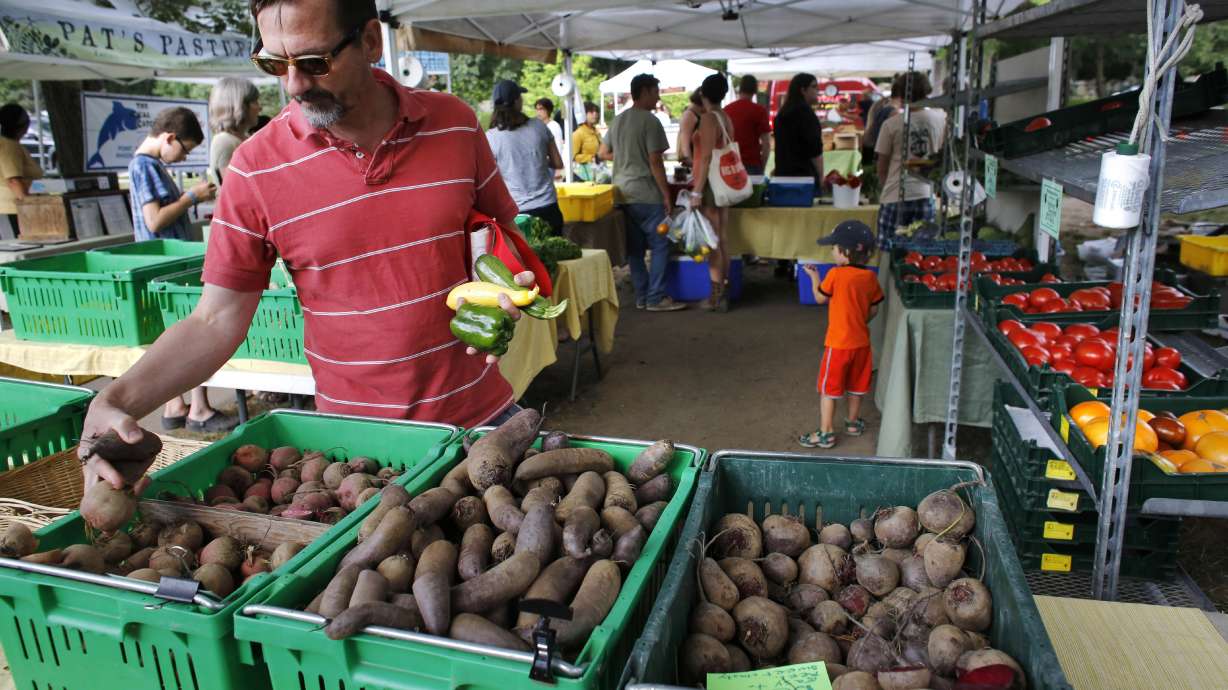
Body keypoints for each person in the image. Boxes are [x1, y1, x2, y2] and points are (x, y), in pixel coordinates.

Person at [80, 0, 530, 491]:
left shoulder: (455, 124)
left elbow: (504, 235)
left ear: (371, 42)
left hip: (489, 419)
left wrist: (508, 287)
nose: (293, 85)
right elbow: (214, 319)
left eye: (315, 63)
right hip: (360, 452)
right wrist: (117, 401)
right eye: (274, 64)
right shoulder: (255, 168)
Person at [127, 107, 237, 434]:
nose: (182, 156)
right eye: (184, 149)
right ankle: (198, 408)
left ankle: (177, 405)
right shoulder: (144, 166)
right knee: (191, 333)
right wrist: (193, 196)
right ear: (169, 137)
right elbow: (155, 220)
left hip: (166, 261)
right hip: (162, 265)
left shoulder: (149, 166)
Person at [598, 74, 685, 312]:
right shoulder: (650, 121)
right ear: (644, 91)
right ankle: (656, 297)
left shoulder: (618, 120)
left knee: (635, 250)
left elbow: (603, 152)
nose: (658, 96)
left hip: (621, 194)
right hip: (646, 194)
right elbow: (655, 160)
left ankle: (642, 296)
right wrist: (666, 194)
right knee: (660, 245)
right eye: (656, 91)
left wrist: (626, 158)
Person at [798, 220, 882, 449]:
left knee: (830, 389)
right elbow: (874, 308)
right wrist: (860, 320)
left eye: (834, 248)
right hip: (862, 344)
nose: (832, 252)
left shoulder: (835, 274)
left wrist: (814, 278)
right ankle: (853, 423)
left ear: (846, 252)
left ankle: (825, 433)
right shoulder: (870, 278)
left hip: (838, 344)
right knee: (856, 386)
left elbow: (820, 298)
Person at [875, 71, 945, 245]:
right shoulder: (940, 119)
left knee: (889, 253)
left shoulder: (891, 124)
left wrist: (886, 188)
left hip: (894, 193)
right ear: (927, 91)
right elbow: (943, 156)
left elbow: (881, 166)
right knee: (921, 254)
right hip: (925, 193)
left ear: (900, 94)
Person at [488, 81, 564, 234]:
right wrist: (538, 161)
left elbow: (492, 180)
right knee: (557, 256)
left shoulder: (491, 138)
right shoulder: (539, 126)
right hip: (548, 207)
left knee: (525, 258)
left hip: (517, 214)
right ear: (517, 101)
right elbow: (558, 162)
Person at [690, 73, 736, 313]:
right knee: (722, 237)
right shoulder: (726, 117)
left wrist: (697, 191)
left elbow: (706, 156)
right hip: (725, 181)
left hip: (709, 183)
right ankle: (723, 291)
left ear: (702, 94)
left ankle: (715, 295)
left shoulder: (708, 119)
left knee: (713, 240)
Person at [0, 103, 43, 239]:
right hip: (13, 210)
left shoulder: (12, 144)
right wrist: (29, 207)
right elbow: (13, 180)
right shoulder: (9, 147)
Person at [209, 77, 262, 183]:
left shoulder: (242, 137)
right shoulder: (224, 141)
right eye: (255, 101)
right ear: (240, 105)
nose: (260, 108)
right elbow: (236, 188)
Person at [773, 73, 822, 183]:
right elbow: (815, 150)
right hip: (803, 177)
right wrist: (821, 176)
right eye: (814, 86)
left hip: (782, 175)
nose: (817, 90)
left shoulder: (782, 113)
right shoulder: (806, 114)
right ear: (803, 90)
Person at [723, 74, 771, 176]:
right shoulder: (759, 111)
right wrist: (762, 166)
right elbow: (766, 144)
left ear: (740, 88)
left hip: (731, 163)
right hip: (752, 164)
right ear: (755, 90)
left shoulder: (727, 110)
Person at [572, 101, 601, 179]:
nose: (595, 114)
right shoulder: (578, 133)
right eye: (591, 112)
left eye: (596, 111)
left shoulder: (597, 132)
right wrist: (591, 157)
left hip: (597, 170)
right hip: (583, 175)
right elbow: (573, 157)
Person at [675, 90, 703, 166]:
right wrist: (692, 163)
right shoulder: (690, 115)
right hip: (694, 162)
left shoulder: (695, 113)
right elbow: (685, 143)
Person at [534, 97, 564, 165]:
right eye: (537, 109)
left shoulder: (554, 126)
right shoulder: (537, 126)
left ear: (548, 110)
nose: (538, 112)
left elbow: (558, 148)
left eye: (541, 109)